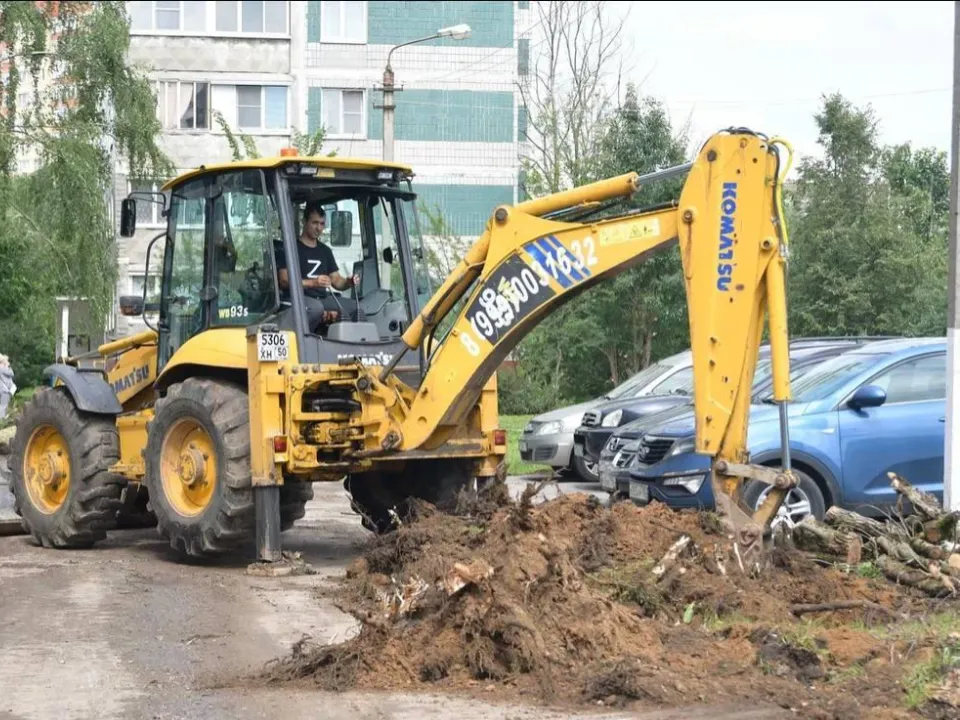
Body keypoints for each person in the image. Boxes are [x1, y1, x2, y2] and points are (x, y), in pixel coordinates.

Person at [276, 203, 362, 330]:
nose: (319, 228)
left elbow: (337, 281)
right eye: (315, 223)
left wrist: (349, 282)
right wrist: (313, 283)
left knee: (357, 308)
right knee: (316, 308)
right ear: (304, 222)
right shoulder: (289, 248)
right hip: (297, 299)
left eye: (322, 224)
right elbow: (283, 281)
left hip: (322, 299)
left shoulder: (325, 251)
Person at [0, 355, 15, 421]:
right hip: (5, 390)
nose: (8, 362)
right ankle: (1, 420)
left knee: (3, 405)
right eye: (6, 361)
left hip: (2, 390)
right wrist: (8, 366)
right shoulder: (2, 368)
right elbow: (12, 373)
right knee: (3, 405)